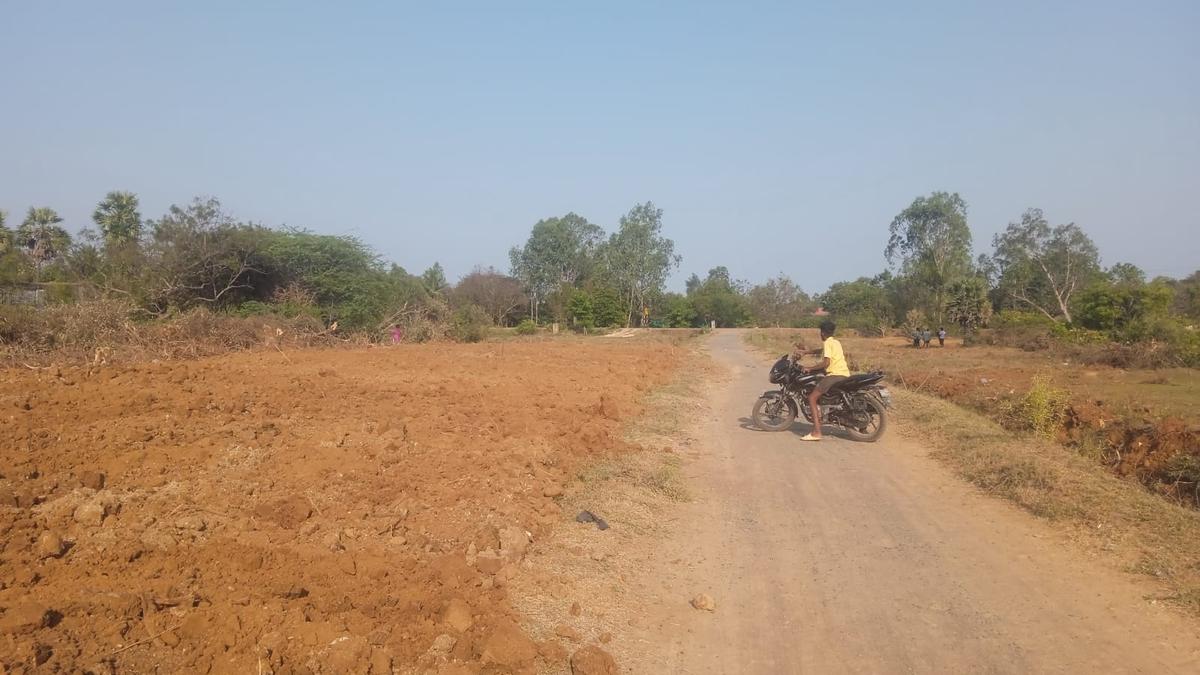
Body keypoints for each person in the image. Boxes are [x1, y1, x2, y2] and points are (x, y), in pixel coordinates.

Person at [797, 320, 850, 441]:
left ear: (823, 333)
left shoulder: (828, 343)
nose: (820, 334)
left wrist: (809, 368)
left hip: (835, 375)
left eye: (820, 332)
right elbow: (822, 351)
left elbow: (826, 363)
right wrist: (807, 352)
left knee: (812, 398)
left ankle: (816, 432)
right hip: (844, 374)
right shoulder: (835, 342)